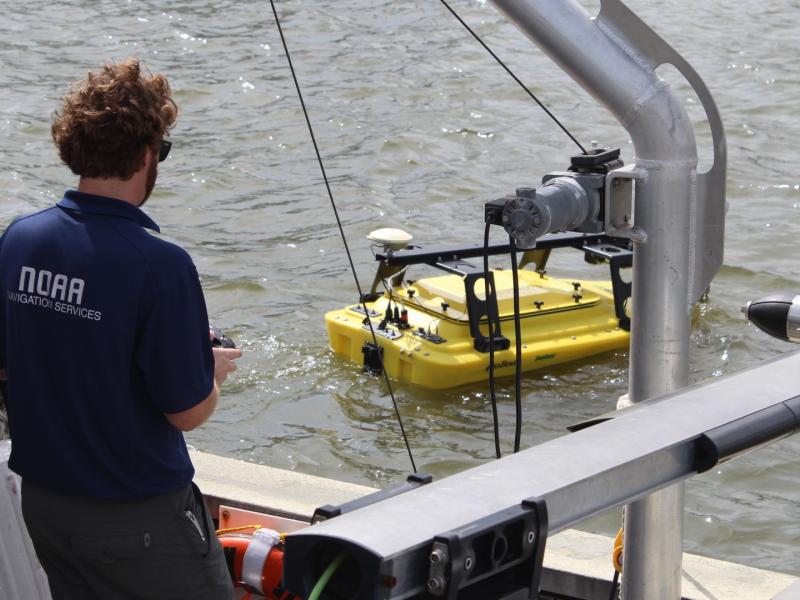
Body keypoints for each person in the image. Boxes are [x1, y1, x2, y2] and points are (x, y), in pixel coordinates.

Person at [0, 59, 242, 600]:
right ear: (148, 154)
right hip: (138, 517)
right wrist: (211, 373)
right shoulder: (161, 264)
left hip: (46, 506)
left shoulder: (19, 240)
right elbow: (187, 410)